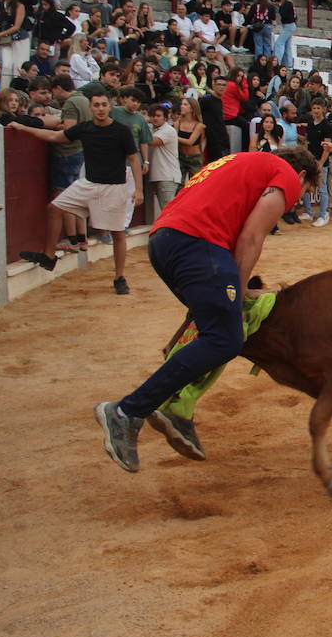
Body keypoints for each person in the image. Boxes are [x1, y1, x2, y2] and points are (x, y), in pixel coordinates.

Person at [91, 147, 317, 472]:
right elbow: (251, 238)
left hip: (164, 242)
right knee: (224, 338)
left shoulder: (239, 161)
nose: (296, 199)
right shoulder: (286, 176)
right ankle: (126, 412)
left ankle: (178, 411)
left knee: (215, 328)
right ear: (302, 175)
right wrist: (239, 291)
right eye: (305, 191)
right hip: (198, 245)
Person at [12, 88, 142, 295]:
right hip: (89, 184)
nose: (100, 109)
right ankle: (48, 256)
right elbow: (54, 136)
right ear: (90, 107)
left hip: (114, 187)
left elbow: (134, 159)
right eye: (96, 105)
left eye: (104, 105)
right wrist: (24, 128)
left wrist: (139, 190)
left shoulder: (121, 131)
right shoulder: (85, 128)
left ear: (110, 106)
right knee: (54, 208)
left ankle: (119, 277)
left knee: (118, 233)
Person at [145, 104, 181, 211]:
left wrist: (140, 124)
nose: (155, 118)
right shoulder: (151, 129)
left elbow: (151, 141)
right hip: (157, 176)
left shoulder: (169, 130)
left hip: (167, 177)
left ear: (165, 118)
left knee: (167, 211)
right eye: (153, 116)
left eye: (158, 116)